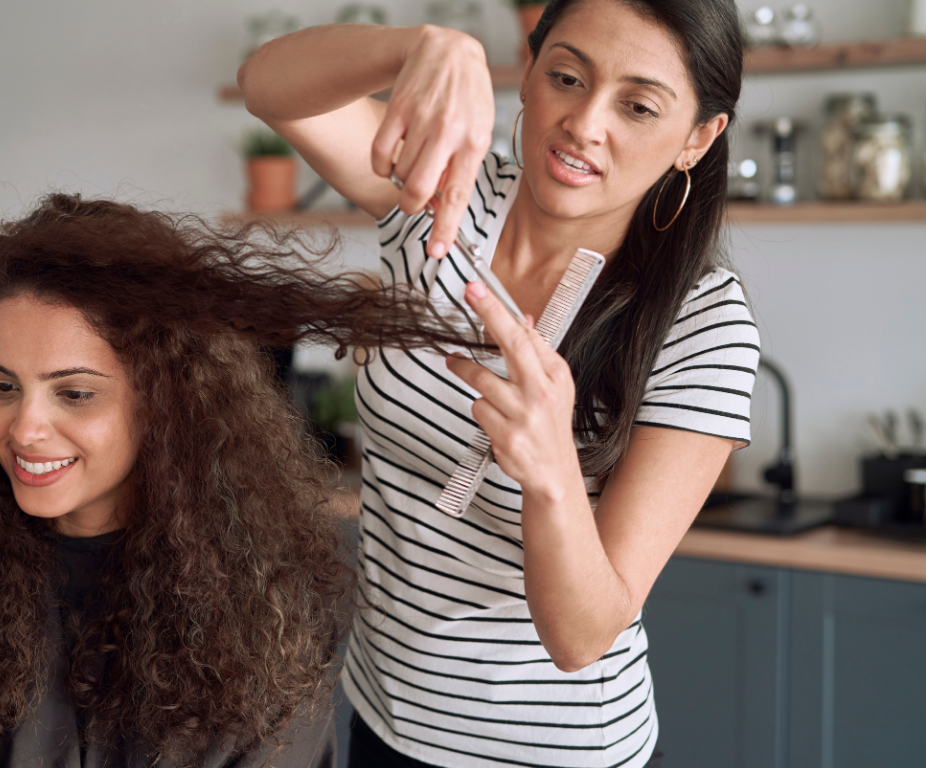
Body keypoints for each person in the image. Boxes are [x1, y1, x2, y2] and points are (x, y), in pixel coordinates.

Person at [237, 1, 758, 766]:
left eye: (638, 105)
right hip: (381, 717)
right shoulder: (449, 194)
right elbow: (265, 85)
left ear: (697, 138)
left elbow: (583, 637)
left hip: (548, 751)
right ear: (530, 66)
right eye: (567, 75)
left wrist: (550, 470)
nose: (585, 122)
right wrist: (415, 47)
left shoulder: (702, 321)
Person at [0, 194, 477, 768]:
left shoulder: (265, 615)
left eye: (74, 394)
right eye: (3, 385)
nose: (23, 427)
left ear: (164, 403)